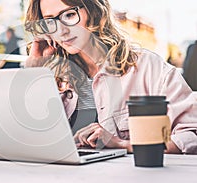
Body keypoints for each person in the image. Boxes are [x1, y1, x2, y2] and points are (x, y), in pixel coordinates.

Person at [24, 0, 197, 154]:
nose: (61, 30)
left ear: (94, 11)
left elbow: (191, 136)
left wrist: (123, 144)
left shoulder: (148, 68)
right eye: (50, 22)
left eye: (69, 15)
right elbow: (25, 139)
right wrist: (34, 69)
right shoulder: (52, 78)